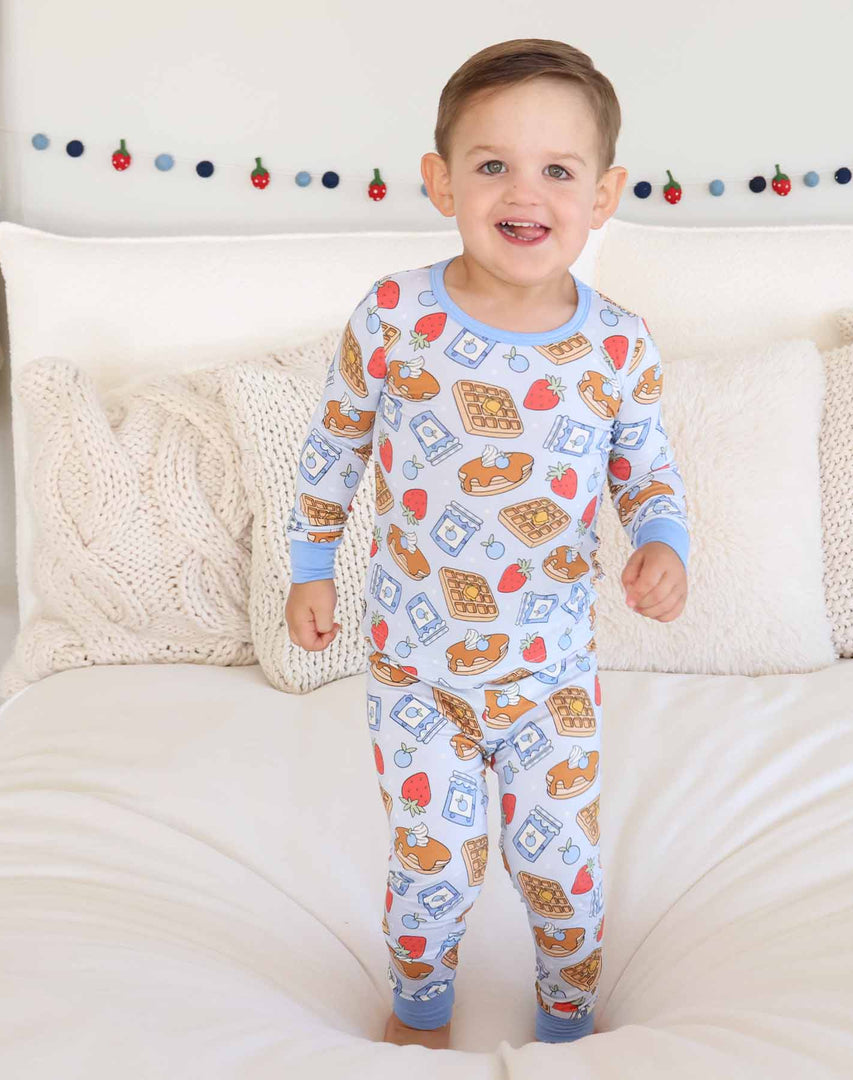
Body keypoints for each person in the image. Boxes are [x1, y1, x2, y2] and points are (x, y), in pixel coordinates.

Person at [284, 38, 689, 1050]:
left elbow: (646, 468)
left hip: (550, 671)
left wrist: (662, 542)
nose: (526, 192)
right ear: (440, 182)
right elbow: (334, 446)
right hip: (416, 666)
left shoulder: (617, 344)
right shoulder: (395, 317)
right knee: (434, 853)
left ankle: (567, 1015)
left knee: (562, 865)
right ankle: (419, 1010)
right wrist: (310, 565)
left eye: (558, 170)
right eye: (493, 163)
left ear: (603, 197)